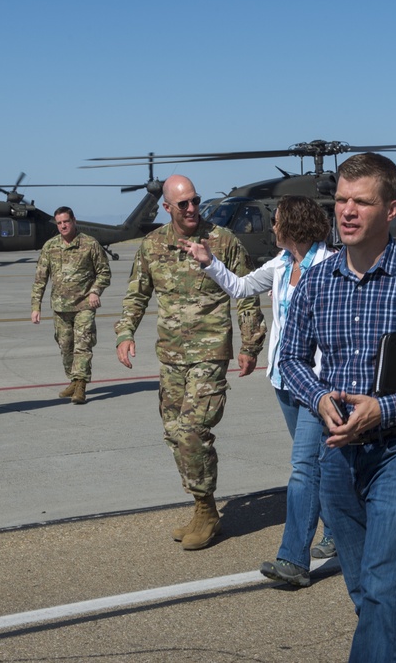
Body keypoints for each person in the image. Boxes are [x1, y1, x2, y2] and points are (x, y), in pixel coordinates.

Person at [280, 153, 396, 662]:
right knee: (371, 597)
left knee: (384, 592)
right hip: (337, 456)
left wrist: (388, 408)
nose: (347, 211)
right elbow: (290, 359)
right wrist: (318, 398)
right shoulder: (316, 282)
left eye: (361, 201)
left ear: (390, 210)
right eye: (341, 199)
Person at [179, 195, 336, 587]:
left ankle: (294, 561)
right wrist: (208, 261)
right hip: (285, 380)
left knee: (303, 468)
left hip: (318, 384)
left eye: (277, 220)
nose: (272, 227)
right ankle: (336, 533)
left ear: (295, 224)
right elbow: (242, 287)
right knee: (321, 464)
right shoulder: (282, 264)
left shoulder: (330, 265)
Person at [115, 175, 266, 551]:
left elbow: (245, 295)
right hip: (171, 356)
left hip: (210, 354)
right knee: (173, 434)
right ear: (167, 207)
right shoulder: (152, 245)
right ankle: (203, 506)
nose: (191, 209)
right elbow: (137, 293)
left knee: (191, 431)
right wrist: (125, 333)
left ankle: (206, 510)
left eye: (195, 200)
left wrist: (250, 344)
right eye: (182, 204)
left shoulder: (223, 241)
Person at [31, 206, 112, 405]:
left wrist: (95, 291)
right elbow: (40, 278)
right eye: (59, 223)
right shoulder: (50, 247)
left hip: (84, 305)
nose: (63, 226)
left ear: (74, 221)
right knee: (65, 347)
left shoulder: (90, 244)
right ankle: (74, 380)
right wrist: (36, 306)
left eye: (66, 221)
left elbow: (104, 272)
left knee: (83, 346)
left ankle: (81, 386)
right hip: (60, 308)